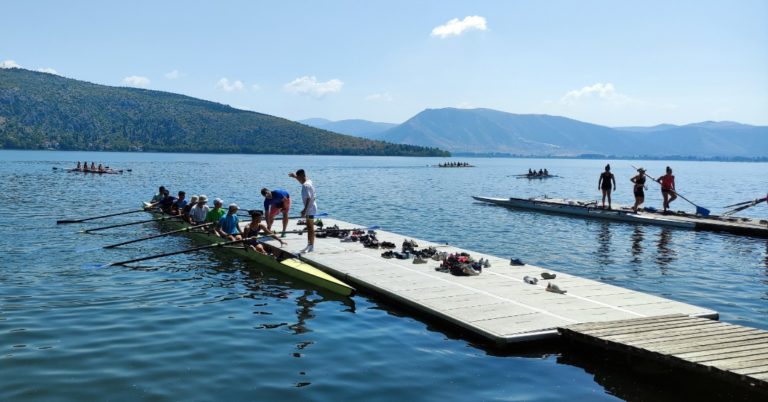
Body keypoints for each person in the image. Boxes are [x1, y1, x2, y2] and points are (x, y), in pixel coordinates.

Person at [289, 169, 317, 253]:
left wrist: (304, 210)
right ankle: (309, 245)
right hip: (311, 207)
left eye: (298, 177)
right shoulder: (308, 181)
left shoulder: (305, 186)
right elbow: (303, 181)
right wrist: (295, 177)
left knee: (310, 227)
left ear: (301, 176)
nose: (298, 179)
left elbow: (308, 198)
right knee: (309, 227)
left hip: (310, 208)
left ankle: (311, 246)